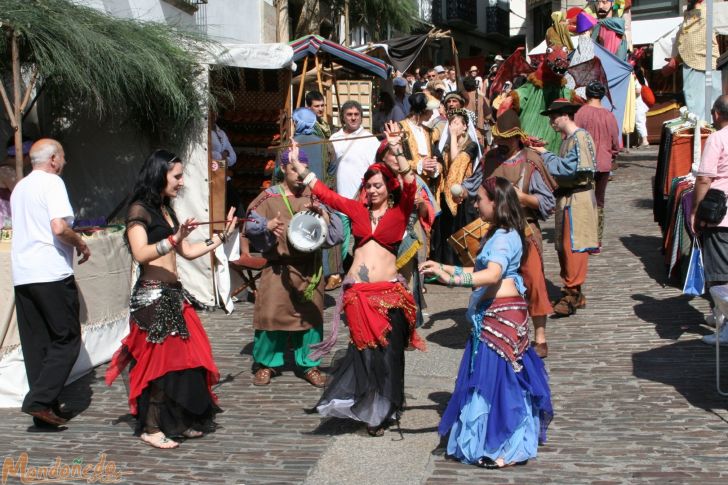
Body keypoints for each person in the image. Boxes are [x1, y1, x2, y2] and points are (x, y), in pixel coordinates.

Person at [290, 122, 426, 436]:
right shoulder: (357, 210)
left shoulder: (400, 211)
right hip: (360, 297)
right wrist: (298, 164)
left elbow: (410, 183)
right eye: (369, 185)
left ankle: (386, 405)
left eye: (378, 185)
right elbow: (322, 192)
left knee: (389, 356)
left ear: (387, 187)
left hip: (390, 296)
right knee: (365, 355)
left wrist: (396, 147)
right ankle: (370, 409)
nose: (373, 190)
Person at [105, 149, 236, 448]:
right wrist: (172, 240)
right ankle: (151, 428)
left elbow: (187, 251)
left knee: (189, 360)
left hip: (174, 295)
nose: (181, 182)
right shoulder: (139, 210)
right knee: (161, 365)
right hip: (152, 298)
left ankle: (179, 421)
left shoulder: (165, 209)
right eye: (176, 176)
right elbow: (141, 253)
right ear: (159, 174)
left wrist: (221, 237)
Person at [420, 176, 552, 469]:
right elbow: (483, 268)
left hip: (500, 316)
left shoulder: (505, 237)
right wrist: (442, 266)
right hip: (496, 313)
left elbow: (492, 274)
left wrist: (452, 279)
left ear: (496, 202)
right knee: (492, 379)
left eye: (480, 199)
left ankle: (504, 446)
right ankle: (494, 441)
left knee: (500, 381)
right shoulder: (499, 233)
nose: (475, 203)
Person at [244, 147, 343, 387]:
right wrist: (265, 226)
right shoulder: (269, 196)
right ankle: (266, 363)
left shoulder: (316, 196)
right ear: (283, 169)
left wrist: (325, 216)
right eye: (293, 169)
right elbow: (249, 222)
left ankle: (309, 364)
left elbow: (337, 232)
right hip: (279, 268)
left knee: (310, 318)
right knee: (270, 317)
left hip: (309, 269)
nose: (299, 175)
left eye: (303, 169)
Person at [11, 139, 90, 428]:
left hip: (24, 273)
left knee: (38, 344)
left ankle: (45, 407)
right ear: (54, 159)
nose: (65, 162)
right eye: (64, 156)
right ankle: (39, 400)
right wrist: (80, 242)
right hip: (50, 272)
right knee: (67, 338)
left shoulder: (20, 187)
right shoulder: (53, 183)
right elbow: (58, 227)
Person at [483, 110, 557, 358]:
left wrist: (522, 197)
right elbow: (477, 188)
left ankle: (540, 336)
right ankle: (500, 329)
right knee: (494, 281)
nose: (500, 144)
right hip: (495, 231)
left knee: (534, 280)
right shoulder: (490, 160)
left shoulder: (531, 160)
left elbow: (547, 202)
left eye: (505, 139)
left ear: (516, 138)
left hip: (525, 228)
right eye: (498, 138)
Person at [532, 99, 599, 317]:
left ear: (565, 115)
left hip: (577, 199)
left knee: (575, 246)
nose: (551, 120)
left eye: (554, 116)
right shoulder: (568, 139)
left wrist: (544, 154)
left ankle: (572, 292)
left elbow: (569, 169)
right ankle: (574, 292)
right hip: (568, 198)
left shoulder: (580, 137)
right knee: (564, 246)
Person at [691, 95, 728, 344]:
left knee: (722, 274)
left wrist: (695, 210)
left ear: (716, 114)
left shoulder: (717, 138)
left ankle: (725, 326)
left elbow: (704, 178)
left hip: (721, 215)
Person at [574, 81, 620, 251]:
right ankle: (596, 241)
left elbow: (572, 137)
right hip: (603, 163)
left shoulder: (580, 113)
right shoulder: (609, 116)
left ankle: (583, 239)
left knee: (582, 200)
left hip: (583, 163)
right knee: (598, 201)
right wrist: (611, 154)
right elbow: (616, 143)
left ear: (587, 94)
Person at [430, 109, 481, 265]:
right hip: (445, 193)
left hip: (462, 195)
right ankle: (443, 265)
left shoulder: (471, 146)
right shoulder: (444, 146)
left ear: (465, 126)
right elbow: (443, 164)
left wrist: (452, 137)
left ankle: (463, 266)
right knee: (445, 230)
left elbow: (456, 161)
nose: (454, 126)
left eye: (457, 123)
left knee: (460, 229)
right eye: (451, 123)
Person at [330, 101, 380, 200]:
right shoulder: (334, 138)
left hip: (362, 198)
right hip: (337, 199)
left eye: (356, 114)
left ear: (361, 117)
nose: (353, 118)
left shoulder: (371, 140)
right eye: (349, 114)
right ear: (343, 117)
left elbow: (377, 169)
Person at [210, 111, 240, 215]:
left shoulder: (221, 133)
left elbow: (233, 157)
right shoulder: (203, 133)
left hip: (224, 174)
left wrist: (223, 157)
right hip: (212, 175)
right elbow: (206, 153)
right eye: (211, 112)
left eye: (215, 112)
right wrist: (220, 155)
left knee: (233, 202)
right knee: (217, 208)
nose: (214, 115)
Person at [0, 139, 33, 222]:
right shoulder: (7, 172)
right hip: (5, 221)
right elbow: (23, 196)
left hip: (7, 220)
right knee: (6, 235)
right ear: (24, 155)